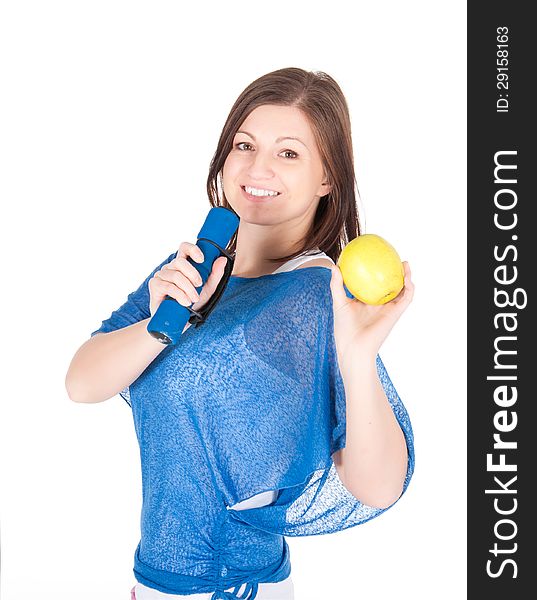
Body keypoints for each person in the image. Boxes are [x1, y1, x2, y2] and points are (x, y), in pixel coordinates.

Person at [65, 67, 415, 600]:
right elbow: (82, 383)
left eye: (289, 153)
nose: (258, 167)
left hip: (232, 587)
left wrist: (359, 356)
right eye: (245, 144)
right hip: (155, 582)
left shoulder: (316, 294)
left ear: (328, 179)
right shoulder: (192, 269)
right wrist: (163, 326)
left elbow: (377, 485)